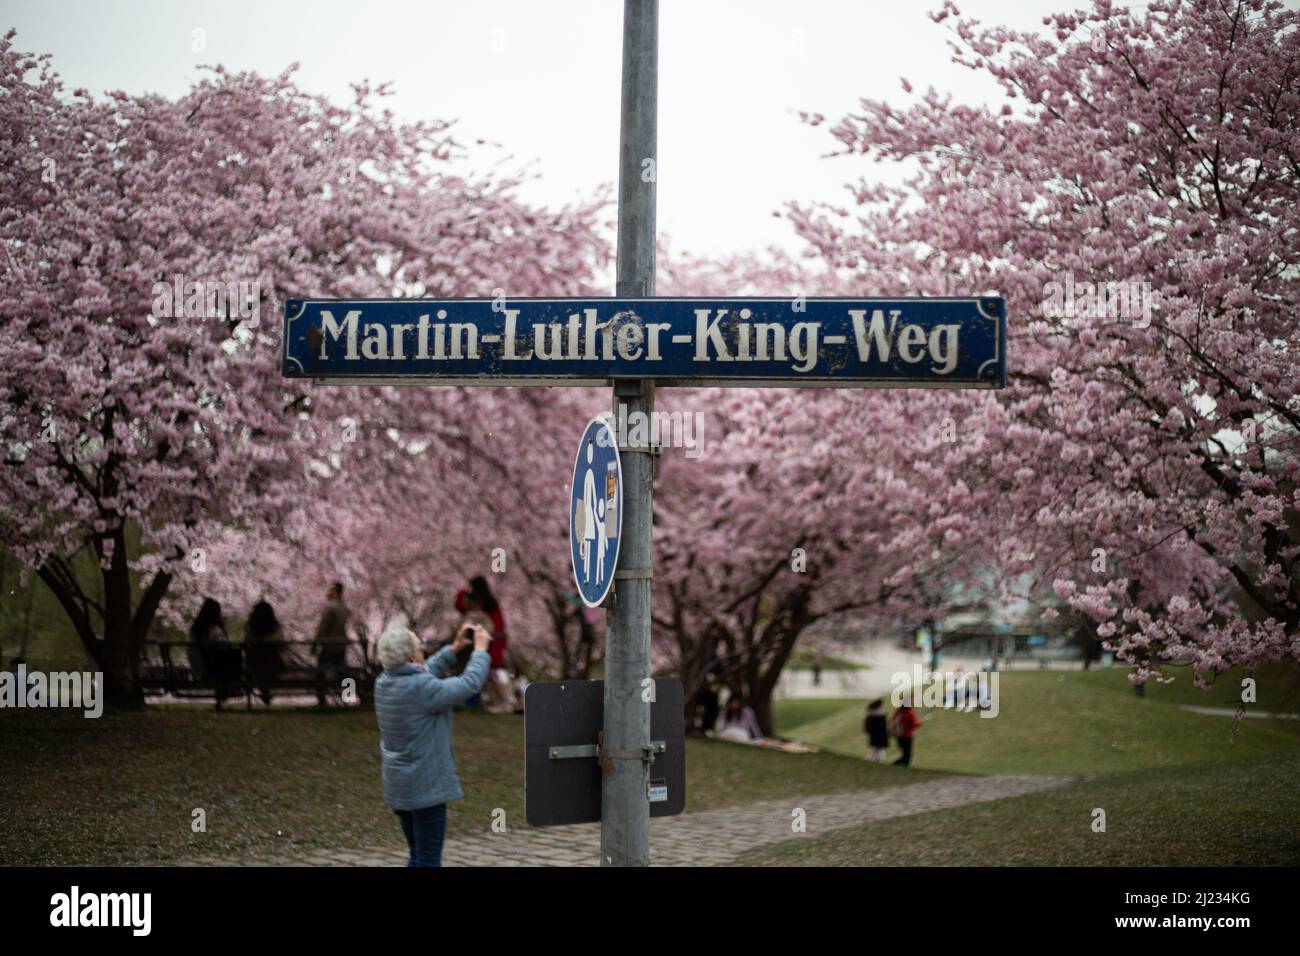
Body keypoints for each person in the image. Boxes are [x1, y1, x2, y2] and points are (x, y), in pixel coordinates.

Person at [374, 620, 492, 867]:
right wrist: (480, 652)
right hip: (425, 787)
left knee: (417, 854)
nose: (422, 650)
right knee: (427, 859)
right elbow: (468, 684)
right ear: (410, 655)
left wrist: (455, 648)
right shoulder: (421, 688)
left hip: (401, 785)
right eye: (419, 647)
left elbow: (423, 671)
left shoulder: (384, 682)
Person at [454, 576, 512, 711]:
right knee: (491, 671)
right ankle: (502, 701)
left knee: (489, 671)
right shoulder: (491, 603)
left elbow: (459, 605)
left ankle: (504, 701)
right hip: (494, 640)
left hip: (487, 641)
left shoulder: (479, 607)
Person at [188, 598, 240, 707]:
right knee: (234, 656)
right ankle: (228, 692)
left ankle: (223, 695)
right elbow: (225, 646)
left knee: (227, 657)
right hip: (209, 670)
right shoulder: (213, 629)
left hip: (198, 668)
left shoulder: (195, 629)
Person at [313, 581, 351, 706]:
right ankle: (348, 697)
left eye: (330, 590)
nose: (327, 592)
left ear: (336, 592)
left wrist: (315, 644)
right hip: (341, 645)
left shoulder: (330, 608)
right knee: (342, 672)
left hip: (329, 645)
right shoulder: (344, 608)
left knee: (319, 671)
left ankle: (321, 699)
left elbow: (322, 628)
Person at [243, 600, 285, 705]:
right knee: (268, 665)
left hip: (254, 662)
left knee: (259, 667)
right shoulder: (275, 625)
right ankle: (266, 691)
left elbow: (246, 641)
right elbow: (281, 640)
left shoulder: (250, 624)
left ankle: (264, 691)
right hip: (272, 662)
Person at [890, 698, 924, 767]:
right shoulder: (909, 713)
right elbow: (912, 726)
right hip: (907, 736)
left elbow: (892, 720)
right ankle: (895, 765)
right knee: (907, 756)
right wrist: (921, 723)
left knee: (904, 754)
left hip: (899, 736)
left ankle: (897, 765)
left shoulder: (898, 711)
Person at [864, 698, 889, 762]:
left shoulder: (870, 714)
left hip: (873, 735)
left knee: (874, 749)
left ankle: (873, 760)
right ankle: (876, 760)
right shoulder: (880, 715)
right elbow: (884, 727)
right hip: (880, 735)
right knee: (878, 750)